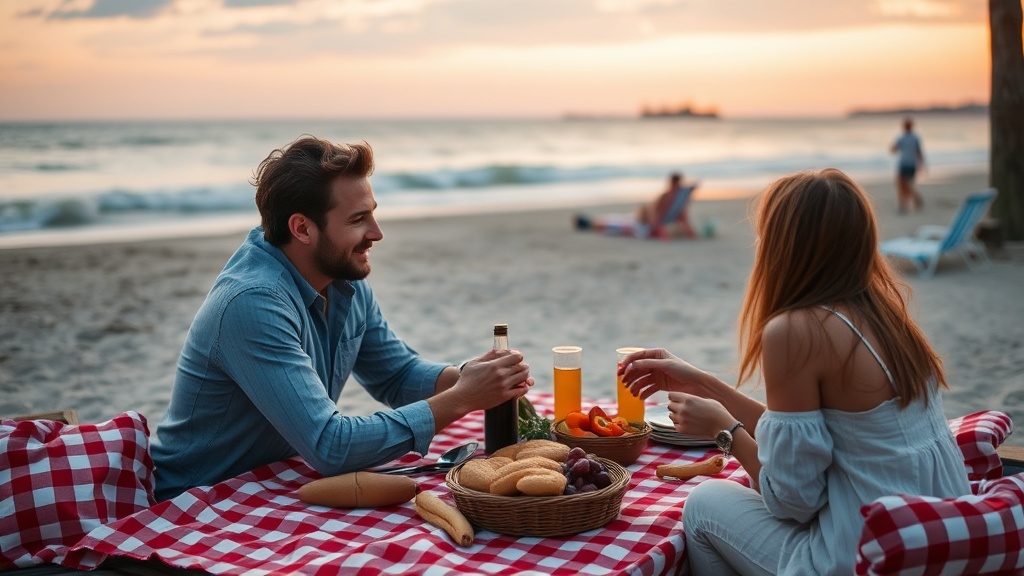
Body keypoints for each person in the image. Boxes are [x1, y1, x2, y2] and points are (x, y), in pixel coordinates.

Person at [618, 169, 969, 575]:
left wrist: (725, 432)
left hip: (865, 555)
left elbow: (793, 503)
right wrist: (706, 384)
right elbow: (821, 441)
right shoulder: (886, 316)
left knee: (703, 505)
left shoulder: (797, 330)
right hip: (937, 542)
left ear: (782, 245)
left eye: (764, 232)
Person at [150, 136, 534, 501]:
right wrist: (465, 397)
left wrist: (475, 378)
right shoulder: (252, 304)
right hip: (203, 501)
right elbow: (331, 446)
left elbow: (396, 375)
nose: (377, 233)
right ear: (302, 228)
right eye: (358, 220)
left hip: (277, 482)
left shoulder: (341, 277)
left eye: (373, 214)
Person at [636, 172, 697, 238]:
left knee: (645, 209)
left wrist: (658, 229)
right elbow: (682, 217)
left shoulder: (666, 196)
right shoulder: (679, 197)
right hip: (646, 222)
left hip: (646, 223)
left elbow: (654, 213)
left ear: (671, 183)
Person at [890, 117, 925, 214]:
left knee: (902, 186)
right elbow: (919, 152)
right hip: (912, 164)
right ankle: (911, 201)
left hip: (904, 164)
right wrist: (921, 164)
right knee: (907, 185)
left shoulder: (901, 138)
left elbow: (893, 150)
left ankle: (906, 204)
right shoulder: (915, 138)